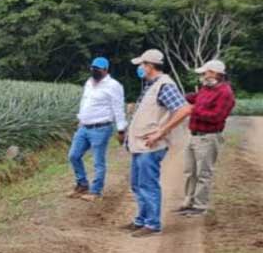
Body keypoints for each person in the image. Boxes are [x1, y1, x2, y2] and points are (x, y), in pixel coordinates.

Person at [120, 49, 192, 237]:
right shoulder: (151, 85)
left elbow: (184, 109)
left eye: (141, 64)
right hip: (140, 145)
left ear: (150, 66)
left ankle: (153, 224)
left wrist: (161, 131)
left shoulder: (164, 86)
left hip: (151, 146)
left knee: (147, 185)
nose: (139, 68)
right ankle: (141, 220)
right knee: (137, 184)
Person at [178, 59, 236, 217]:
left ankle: (200, 206)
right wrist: (179, 96)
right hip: (194, 135)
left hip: (208, 137)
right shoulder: (206, 88)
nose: (203, 75)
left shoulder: (225, 93)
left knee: (203, 173)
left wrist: (194, 110)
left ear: (215, 73)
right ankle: (188, 202)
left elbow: (217, 117)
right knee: (190, 171)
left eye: (205, 73)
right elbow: (195, 97)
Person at [68, 57, 127, 202]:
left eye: (97, 69)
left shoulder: (114, 86)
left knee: (98, 161)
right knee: (73, 155)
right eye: (92, 68)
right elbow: (84, 102)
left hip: (101, 128)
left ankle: (96, 191)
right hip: (84, 127)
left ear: (105, 70)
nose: (94, 70)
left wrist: (121, 130)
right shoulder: (89, 82)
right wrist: (81, 119)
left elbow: (118, 108)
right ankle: (82, 184)